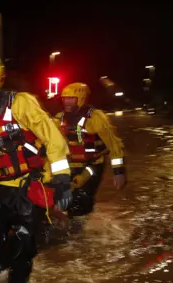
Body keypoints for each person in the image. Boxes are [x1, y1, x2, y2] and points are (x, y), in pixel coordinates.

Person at [0, 54, 72, 283]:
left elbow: (52, 136)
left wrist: (61, 177)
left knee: (22, 252)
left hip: (26, 188)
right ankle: (3, 272)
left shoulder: (20, 103)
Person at [54, 82, 126, 216]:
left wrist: (118, 171)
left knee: (82, 198)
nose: (66, 102)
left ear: (80, 99)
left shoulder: (96, 117)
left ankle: (80, 224)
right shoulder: (60, 118)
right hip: (70, 165)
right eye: (64, 99)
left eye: (71, 98)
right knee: (63, 197)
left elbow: (113, 143)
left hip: (92, 164)